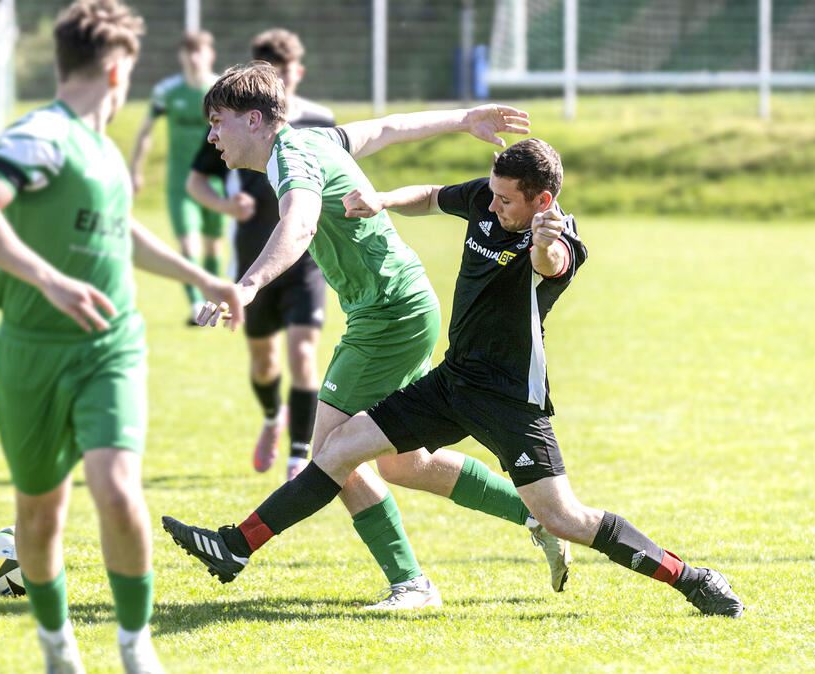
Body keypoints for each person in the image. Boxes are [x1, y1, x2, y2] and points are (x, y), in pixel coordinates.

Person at [165, 139, 745, 619]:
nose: (490, 208)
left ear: (541, 199)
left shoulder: (558, 238)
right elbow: (435, 196)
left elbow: (552, 264)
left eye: (505, 202)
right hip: (450, 382)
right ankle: (236, 546)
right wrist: (382, 199)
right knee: (339, 450)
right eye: (489, 195)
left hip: (510, 402)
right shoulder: (491, 199)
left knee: (564, 517)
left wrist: (543, 240)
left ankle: (693, 579)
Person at [164, 62, 573, 609]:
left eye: (218, 121)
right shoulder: (315, 139)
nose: (211, 135)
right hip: (394, 307)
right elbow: (386, 129)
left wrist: (249, 286)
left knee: (334, 452)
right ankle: (535, 514)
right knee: (404, 462)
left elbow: (301, 222)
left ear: (255, 120)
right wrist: (464, 118)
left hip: (388, 316)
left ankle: (405, 583)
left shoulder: (293, 158)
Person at [0, 2, 240, 672]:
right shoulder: (41, 137)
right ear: (116, 70)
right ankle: (58, 649)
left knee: (116, 488)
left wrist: (205, 278)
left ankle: (137, 649)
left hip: (111, 346)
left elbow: (119, 231)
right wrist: (47, 278)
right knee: (41, 514)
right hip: (29, 352)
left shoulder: (106, 152)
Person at [185, 29, 335, 482]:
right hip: (253, 255)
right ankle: (274, 417)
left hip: (306, 258)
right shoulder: (234, 125)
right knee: (264, 362)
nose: (284, 83)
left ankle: (297, 456)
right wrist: (227, 206)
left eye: (288, 73)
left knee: (304, 351)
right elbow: (195, 181)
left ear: (298, 73)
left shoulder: (318, 122)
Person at [129, 30, 224, 323]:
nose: (194, 57)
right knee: (188, 244)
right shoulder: (167, 91)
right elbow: (145, 130)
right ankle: (196, 306)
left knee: (213, 245)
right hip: (180, 183)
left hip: (215, 181)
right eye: (189, 51)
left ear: (211, 54)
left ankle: (212, 303)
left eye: (200, 51)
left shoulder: (221, 90)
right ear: (182, 56)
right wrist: (135, 169)